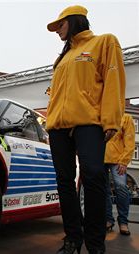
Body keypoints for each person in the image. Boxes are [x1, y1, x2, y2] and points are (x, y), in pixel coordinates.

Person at [46, 5, 125, 254]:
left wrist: (111, 120)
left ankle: (95, 243)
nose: (57, 30)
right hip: (58, 127)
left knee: (93, 177)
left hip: (88, 123)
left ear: (75, 21)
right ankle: (72, 238)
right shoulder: (63, 57)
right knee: (64, 182)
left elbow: (114, 80)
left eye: (60, 24)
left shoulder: (104, 42)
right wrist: (50, 122)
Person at [105, 113, 135, 236]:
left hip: (118, 160)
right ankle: (108, 219)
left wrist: (124, 160)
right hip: (99, 159)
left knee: (121, 187)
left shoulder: (126, 117)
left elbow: (130, 140)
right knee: (103, 190)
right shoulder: (101, 115)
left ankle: (123, 221)